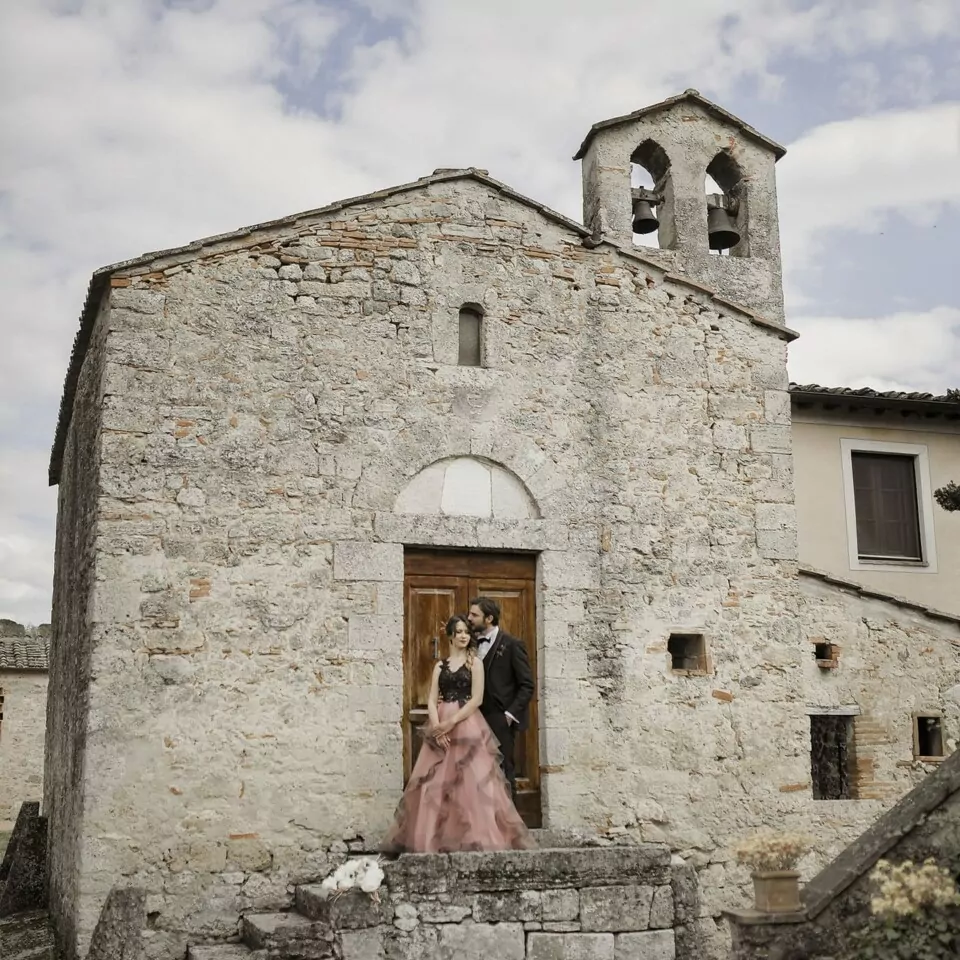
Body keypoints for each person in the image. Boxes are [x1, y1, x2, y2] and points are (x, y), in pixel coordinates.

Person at [382, 614, 532, 853]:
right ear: (451, 636)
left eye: (466, 632)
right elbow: (431, 700)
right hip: (440, 724)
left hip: (466, 723)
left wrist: (450, 722)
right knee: (435, 784)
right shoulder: (439, 666)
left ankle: (475, 839)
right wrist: (436, 727)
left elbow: (477, 700)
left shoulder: (476, 664)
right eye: (459, 632)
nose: (463, 636)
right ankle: (433, 840)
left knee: (471, 783)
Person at [467, 597, 534, 800]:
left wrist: (510, 714)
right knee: (473, 771)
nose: (469, 618)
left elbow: (527, 684)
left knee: (503, 771)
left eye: (474, 615)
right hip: (472, 717)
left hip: (500, 718)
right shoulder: (468, 643)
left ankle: (510, 828)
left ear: (489, 618)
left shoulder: (513, 644)